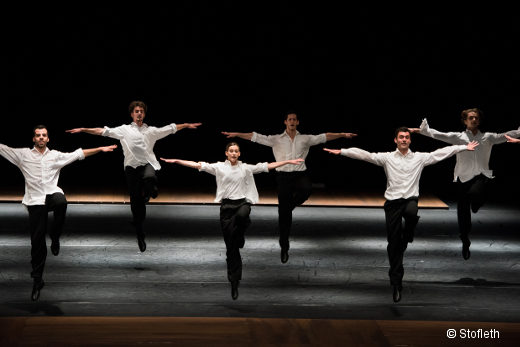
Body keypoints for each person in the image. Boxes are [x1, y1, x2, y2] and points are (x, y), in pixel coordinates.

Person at [324, 127, 478, 302]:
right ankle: (396, 282)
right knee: (394, 244)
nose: (404, 139)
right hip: (392, 204)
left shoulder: (419, 158)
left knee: (412, 213)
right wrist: (343, 151)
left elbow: (441, 153)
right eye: (401, 137)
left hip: (410, 200)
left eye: (407, 137)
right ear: (395, 140)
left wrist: (463, 147)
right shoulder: (387, 158)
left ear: (410, 140)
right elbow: (365, 155)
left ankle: (408, 234)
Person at [160, 142, 304, 300]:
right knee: (231, 248)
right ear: (226, 153)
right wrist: (177, 161)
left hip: (242, 203)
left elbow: (267, 166)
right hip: (227, 208)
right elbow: (197, 165)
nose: (234, 153)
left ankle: (240, 233)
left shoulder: (246, 168)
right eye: (231, 151)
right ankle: (234, 281)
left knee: (243, 215)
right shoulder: (219, 167)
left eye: (236, 151)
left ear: (239, 154)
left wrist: (288, 162)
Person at [222, 110, 357, 263]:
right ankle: (284, 246)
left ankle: (291, 204)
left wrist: (342, 134)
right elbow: (256, 137)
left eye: (294, 119)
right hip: (284, 178)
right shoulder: (276, 139)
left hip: (300, 175)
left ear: (297, 122)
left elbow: (325, 136)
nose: (292, 121)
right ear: (285, 122)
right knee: (284, 216)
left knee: (307, 189)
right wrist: (237, 134)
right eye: (289, 119)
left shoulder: (305, 139)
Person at [0, 125, 117, 301]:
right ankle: (37, 281)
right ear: (34, 139)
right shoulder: (23, 155)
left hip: (52, 195)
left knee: (61, 201)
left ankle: (55, 237)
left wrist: (100, 149)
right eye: (38, 135)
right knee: (37, 242)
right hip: (35, 201)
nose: (41, 138)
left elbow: (78, 154)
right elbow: (2, 148)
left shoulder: (55, 156)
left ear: (48, 139)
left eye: (44, 135)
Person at [66, 101, 201, 252]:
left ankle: (151, 193)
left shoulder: (151, 131)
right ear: (132, 114)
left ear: (144, 114)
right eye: (136, 111)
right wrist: (83, 129)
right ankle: (139, 230)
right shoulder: (124, 130)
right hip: (131, 168)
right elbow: (102, 131)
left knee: (150, 179)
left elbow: (171, 128)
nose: (139, 113)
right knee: (136, 206)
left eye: (141, 111)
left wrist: (187, 125)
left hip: (148, 164)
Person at [409, 109, 520, 260]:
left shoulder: (488, 137)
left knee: (476, 193)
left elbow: (507, 135)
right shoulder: (458, 137)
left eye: (476, 118)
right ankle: (465, 239)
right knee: (463, 211)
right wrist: (422, 131)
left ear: (479, 121)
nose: (473, 120)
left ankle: (476, 203)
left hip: (480, 175)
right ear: (465, 121)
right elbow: (440, 135)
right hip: (463, 177)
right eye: (470, 118)